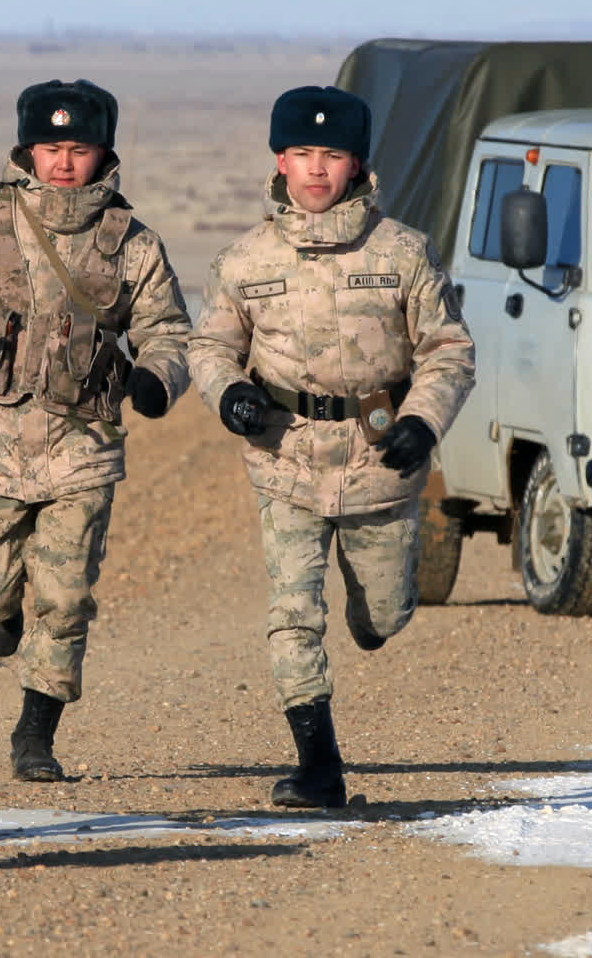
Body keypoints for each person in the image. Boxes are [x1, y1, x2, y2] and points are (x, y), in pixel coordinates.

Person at [186, 85, 476, 808]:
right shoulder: (245, 259)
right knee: (293, 612)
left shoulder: (404, 252)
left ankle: (375, 608)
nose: (317, 171)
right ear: (280, 160)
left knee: (382, 616)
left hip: (380, 455)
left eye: (333, 156)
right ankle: (319, 764)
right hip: (285, 454)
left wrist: (424, 421)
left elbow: (448, 349)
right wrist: (230, 394)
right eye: (304, 154)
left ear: (357, 165)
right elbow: (212, 345)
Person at [0, 79, 192, 782]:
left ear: (103, 151)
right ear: (27, 150)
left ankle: (35, 734)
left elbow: (168, 332)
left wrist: (155, 379)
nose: (64, 163)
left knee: (65, 598)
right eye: (51, 147)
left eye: (78, 148)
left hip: (82, 446)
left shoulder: (132, 243)